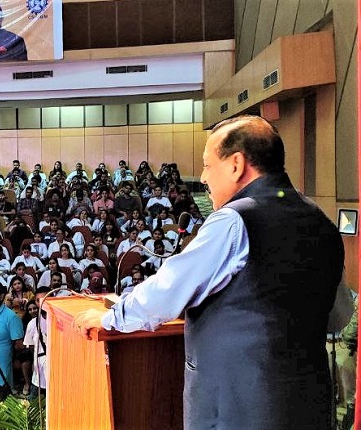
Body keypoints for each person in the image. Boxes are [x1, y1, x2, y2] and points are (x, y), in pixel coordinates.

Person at [73, 115, 345, 429]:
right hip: (309, 405)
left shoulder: (234, 220)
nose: (203, 177)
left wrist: (110, 318)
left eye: (207, 165)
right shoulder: (319, 219)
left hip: (237, 409)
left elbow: (168, 291)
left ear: (236, 164)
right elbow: (338, 317)